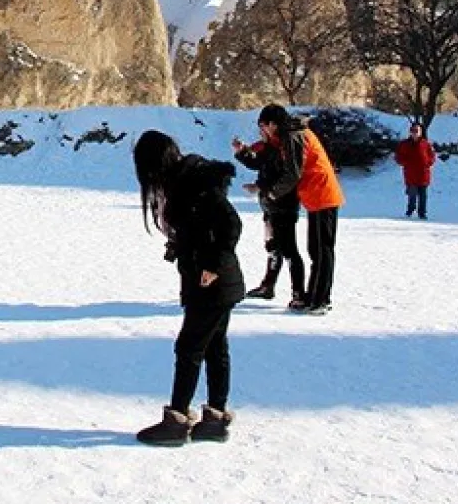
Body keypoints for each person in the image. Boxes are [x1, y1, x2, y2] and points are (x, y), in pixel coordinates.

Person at [133, 130, 245, 446]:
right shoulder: (183, 181)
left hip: (213, 282)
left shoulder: (193, 183)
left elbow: (230, 224)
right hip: (210, 280)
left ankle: (177, 421)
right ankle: (215, 418)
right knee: (213, 347)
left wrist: (211, 264)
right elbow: (198, 228)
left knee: (189, 348)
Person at [258, 105, 344, 315]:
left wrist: (272, 193)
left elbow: (293, 173)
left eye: (263, 126)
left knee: (322, 250)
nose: (263, 131)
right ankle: (312, 296)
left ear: (273, 124)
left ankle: (321, 298)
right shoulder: (291, 135)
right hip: (315, 197)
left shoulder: (294, 136)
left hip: (323, 195)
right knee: (315, 249)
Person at [231, 131, 304, 302]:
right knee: (273, 247)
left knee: (289, 250)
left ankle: (299, 293)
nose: (260, 132)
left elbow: (281, 175)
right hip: (270, 205)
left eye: (262, 127)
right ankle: (268, 285)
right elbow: (258, 163)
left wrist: (259, 187)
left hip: (283, 205)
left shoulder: (284, 147)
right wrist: (241, 152)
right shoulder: (269, 146)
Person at [394, 122, 435, 220]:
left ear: (421, 132)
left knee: (423, 196)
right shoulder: (404, 144)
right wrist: (405, 162)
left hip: (423, 174)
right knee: (412, 195)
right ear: (410, 132)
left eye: (417, 131)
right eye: (413, 131)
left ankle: (422, 213)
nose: (415, 133)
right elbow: (398, 156)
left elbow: (432, 156)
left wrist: (428, 163)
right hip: (410, 174)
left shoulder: (426, 144)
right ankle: (410, 211)